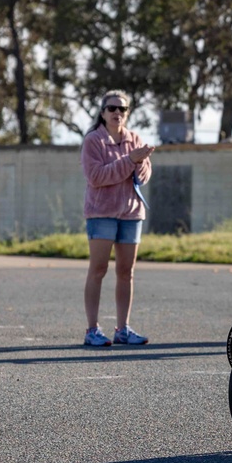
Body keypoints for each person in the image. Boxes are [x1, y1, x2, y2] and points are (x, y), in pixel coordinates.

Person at [81, 90, 154, 346]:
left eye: (122, 109)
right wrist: (129, 160)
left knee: (126, 272)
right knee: (98, 269)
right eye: (112, 108)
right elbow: (97, 177)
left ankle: (122, 329)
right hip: (101, 214)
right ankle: (92, 330)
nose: (117, 113)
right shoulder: (93, 141)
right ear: (102, 113)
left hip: (131, 214)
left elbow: (143, 178)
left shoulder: (134, 139)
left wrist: (141, 162)